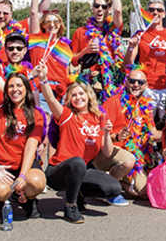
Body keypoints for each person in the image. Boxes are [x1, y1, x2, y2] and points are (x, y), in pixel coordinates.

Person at [36, 66, 125, 223]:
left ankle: (79, 193)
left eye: (81, 94)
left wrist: (105, 132)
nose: (78, 98)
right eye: (73, 95)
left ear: (89, 96)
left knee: (113, 188)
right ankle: (71, 206)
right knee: (77, 161)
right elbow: (50, 99)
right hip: (58, 171)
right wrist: (43, 79)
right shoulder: (66, 114)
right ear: (69, 99)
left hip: (81, 170)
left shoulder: (99, 118)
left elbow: (107, 153)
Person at [0, 35, 47, 221]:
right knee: (0, 191)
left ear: (26, 89)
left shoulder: (35, 114)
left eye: (19, 86)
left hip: (21, 164)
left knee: (37, 182)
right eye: (11, 86)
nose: (15, 89)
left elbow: (31, 147)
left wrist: (22, 175)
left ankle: (27, 198)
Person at [102, 69, 161, 202]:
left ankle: (115, 180)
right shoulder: (113, 103)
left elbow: (153, 134)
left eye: (140, 82)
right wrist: (116, 136)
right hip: (115, 155)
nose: (136, 85)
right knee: (144, 189)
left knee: (149, 192)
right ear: (126, 82)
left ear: (146, 86)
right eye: (132, 81)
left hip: (136, 157)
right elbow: (100, 133)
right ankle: (108, 185)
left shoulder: (145, 107)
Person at [71, 0, 124, 102]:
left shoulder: (113, 29)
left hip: (111, 82)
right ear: (93, 9)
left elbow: (118, 10)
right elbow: (73, 61)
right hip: (88, 83)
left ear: (109, 9)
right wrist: (86, 51)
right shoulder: (80, 31)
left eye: (104, 6)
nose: (100, 9)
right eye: (96, 6)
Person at [124, 0, 166, 115]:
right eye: (151, 9)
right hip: (146, 89)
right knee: (145, 126)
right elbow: (128, 64)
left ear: (164, 13)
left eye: (159, 10)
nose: (155, 12)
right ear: (146, 13)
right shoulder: (140, 34)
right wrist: (131, 47)